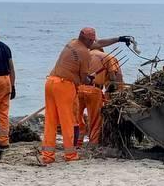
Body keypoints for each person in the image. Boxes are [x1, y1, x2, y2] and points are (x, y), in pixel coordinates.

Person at [41, 27, 133, 165]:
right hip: (65, 86)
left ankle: (47, 155)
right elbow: (84, 78)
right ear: (88, 40)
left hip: (50, 82)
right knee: (68, 120)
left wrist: (119, 39)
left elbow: (100, 43)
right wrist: (91, 79)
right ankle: (71, 154)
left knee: (51, 120)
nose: (94, 43)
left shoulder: (73, 42)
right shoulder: (84, 53)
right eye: (92, 41)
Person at [76, 48, 124, 146]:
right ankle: (93, 143)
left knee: (76, 116)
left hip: (78, 89)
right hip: (94, 90)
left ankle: (77, 140)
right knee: (95, 120)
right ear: (102, 49)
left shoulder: (83, 55)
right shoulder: (108, 57)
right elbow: (114, 79)